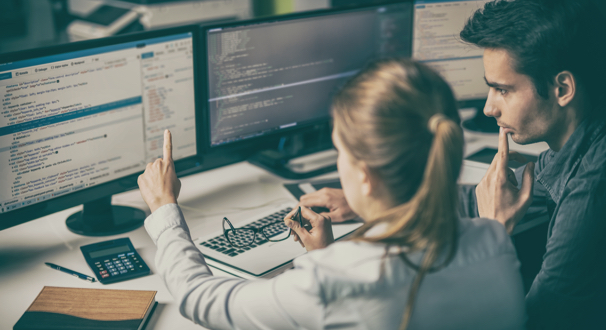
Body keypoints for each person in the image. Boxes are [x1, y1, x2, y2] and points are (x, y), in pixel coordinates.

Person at [137, 58, 526, 330]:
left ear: (366, 177)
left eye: (340, 151)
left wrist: (164, 207)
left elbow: (200, 300)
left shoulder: (332, 281)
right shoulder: (494, 237)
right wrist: (325, 257)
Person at [301, 1, 606, 329]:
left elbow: (533, 321)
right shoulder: (578, 146)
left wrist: (494, 234)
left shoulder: (592, 190)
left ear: (562, 89)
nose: (490, 108)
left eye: (502, 90)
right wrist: (370, 199)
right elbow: (485, 196)